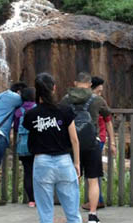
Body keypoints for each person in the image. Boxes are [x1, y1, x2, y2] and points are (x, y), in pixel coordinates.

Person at [22, 73, 81, 223]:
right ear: (54, 88)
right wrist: (77, 163)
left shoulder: (31, 114)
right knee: (73, 212)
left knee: (45, 214)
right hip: (64, 161)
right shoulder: (65, 110)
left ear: (37, 91)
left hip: (41, 162)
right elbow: (74, 139)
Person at [61, 72, 113, 223]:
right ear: (90, 84)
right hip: (92, 144)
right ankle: (92, 215)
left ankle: (73, 214)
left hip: (71, 144)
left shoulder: (65, 100)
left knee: (72, 180)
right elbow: (107, 115)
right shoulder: (97, 99)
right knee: (93, 180)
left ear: (75, 83)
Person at [83, 76, 115, 210]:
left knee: (93, 172)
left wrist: (112, 142)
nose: (100, 94)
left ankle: (97, 200)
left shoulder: (100, 102)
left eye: (101, 92)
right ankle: (96, 200)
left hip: (98, 138)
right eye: (98, 91)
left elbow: (108, 121)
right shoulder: (83, 102)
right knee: (89, 172)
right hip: (84, 138)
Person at [13, 87, 37, 207]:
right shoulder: (37, 108)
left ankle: (31, 200)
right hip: (36, 145)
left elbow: (16, 128)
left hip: (22, 145)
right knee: (38, 172)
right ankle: (40, 198)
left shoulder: (19, 111)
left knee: (28, 172)